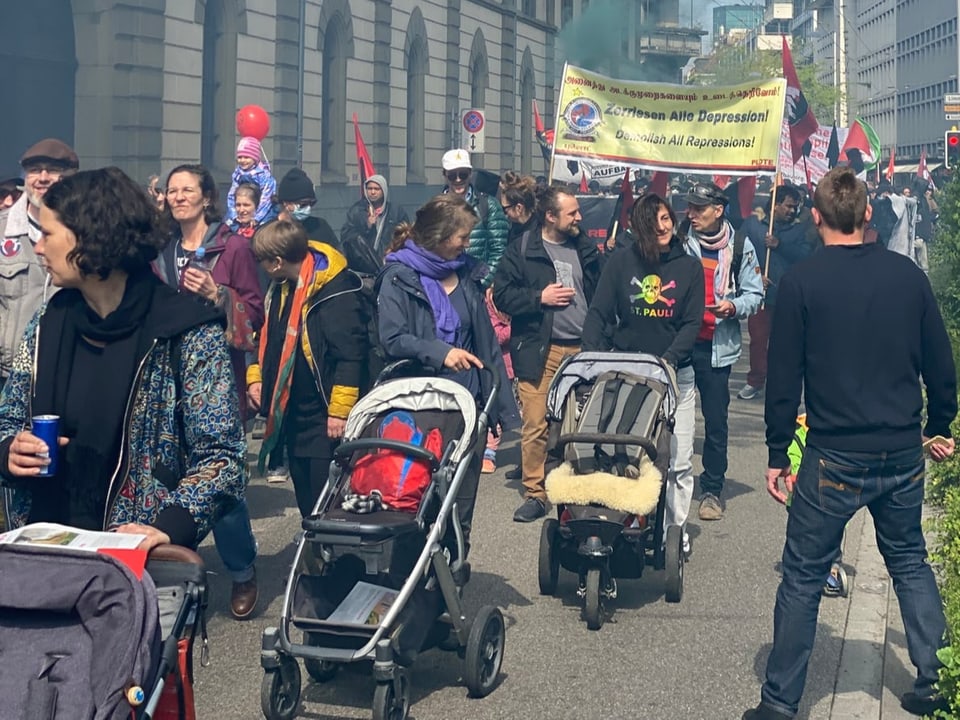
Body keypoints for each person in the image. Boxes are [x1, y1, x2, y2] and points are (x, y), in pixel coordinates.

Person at [745, 167, 958, 720]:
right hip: (901, 448)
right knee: (910, 561)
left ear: (815, 218)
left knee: (803, 576)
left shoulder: (801, 283)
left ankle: (780, 703)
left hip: (833, 453)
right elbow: (940, 362)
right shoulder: (907, 277)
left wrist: (775, 453)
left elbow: (783, 377)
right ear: (868, 215)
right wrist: (941, 423)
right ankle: (938, 681)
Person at [0, 167, 246, 555]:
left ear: (90, 238)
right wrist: (9, 449)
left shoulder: (185, 330)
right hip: (46, 551)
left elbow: (223, 456)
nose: (38, 247)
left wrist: (170, 525)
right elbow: (8, 418)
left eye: (48, 234)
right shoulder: (48, 321)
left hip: (139, 561)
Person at [377, 193, 519, 552]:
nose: (467, 244)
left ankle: (452, 576)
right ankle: (413, 577)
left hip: (467, 406)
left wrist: (498, 408)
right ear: (440, 238)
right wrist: (441, 353)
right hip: (419, 406)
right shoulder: (399, 277)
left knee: (461, 507)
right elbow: (392, 338)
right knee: (418, 502)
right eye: (462, 238)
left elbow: (486, 346)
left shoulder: (466, 275)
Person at [154, 163, 264, 620]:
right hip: (168, 381)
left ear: (206, 198)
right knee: (167, 478)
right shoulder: (160, 252)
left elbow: (255, 311)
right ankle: (178, 571)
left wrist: (218, 293)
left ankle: (242, 571)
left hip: (218, 382)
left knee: (221, 483)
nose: (178, 197)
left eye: (187, 190)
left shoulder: (233, 247)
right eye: (172, 191)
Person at [583, 194, 704, 555]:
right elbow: (599, 314)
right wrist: (592, 358)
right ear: (638, 227)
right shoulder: (621, 262)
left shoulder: (689, 267)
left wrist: (666, 361)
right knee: (622, 454)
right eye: (654, 221)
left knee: (678, 462)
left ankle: (673, 532)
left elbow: (692, 323)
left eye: (667, 218)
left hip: (673, 376)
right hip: (628, 373)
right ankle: (619, 521)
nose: (663, 227)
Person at [493, 187, 601, 522]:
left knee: (585, 425)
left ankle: (582, 489)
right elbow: (502, 296)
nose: (579, 218)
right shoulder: (523, 250)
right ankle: (536, 493)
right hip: (541, 349)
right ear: (550, 216)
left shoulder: (584, 248)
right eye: (572, 213)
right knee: (536, 424)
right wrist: (539, 297)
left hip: (583, 351)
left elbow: (601, 291)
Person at [247, 220, 368, 518]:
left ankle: (335, 560)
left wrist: (339, 412)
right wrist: (255, 377)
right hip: (293, 414)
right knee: (306, 500)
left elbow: (350, 356)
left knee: (325, 500)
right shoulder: (279, 288)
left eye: (261, 261)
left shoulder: (335, 290)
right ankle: (314, 556)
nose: (260, 267)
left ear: (276, 262)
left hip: (322, 416)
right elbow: (265, 337)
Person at [681, 182, 763, 522]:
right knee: (671, 420)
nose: (691, 214)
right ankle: (667, 481)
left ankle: (712, 489)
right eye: (690, 208)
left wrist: (734, 305)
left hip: (718, 347)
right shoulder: (679, 243)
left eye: (699, 208)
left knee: (716, 422)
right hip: (681, 346)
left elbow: (755, 294)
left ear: (718, 211)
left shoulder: (741, 245)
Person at [0, 139, 79, 392]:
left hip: (65, 371)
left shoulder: (86, 232)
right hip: (6, 374)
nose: (42, 177)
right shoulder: (1, 229)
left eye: (52, 170)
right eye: (34, 170)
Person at [737, 184, 814, 401]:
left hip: (789, 296)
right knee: (758, 340)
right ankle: (755, 381)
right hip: (760, 295)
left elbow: (806, 255)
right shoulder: (753, 225)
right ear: (776, 205)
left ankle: (783, 383)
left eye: (795, 207)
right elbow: (740, 253)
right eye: (788, 206)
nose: (792, 211)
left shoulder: (801, 227)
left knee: (787, 342)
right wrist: (754, 276)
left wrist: (780, 245)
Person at [441, 149, 509, 288]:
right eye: (453, 176)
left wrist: (481, 283)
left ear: (470, 174)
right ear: (445, 176)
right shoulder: (436, 207)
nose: (458, 180)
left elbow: (499, 251)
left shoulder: (488, 205)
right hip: (446, 286)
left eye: (463, 174)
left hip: (478, 288)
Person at [340, 174, 409, 275]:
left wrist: (393, 252)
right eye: (369, 188)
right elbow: (346, 236)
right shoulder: (356, 210)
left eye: (377, 189)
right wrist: (367, 225)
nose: (372, 192)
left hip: (388, 263)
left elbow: (405, 235)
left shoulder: (396, 211)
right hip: (363, 266)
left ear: (384, 191)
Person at [275, 167, 340, 249]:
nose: (308, 208)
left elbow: (338, 255)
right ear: (286, 203)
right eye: (303, 204)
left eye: (311, 203)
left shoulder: (321, 227)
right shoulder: (270, 232)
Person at [226, 136, 277, 225]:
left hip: (263, 211)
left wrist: (257, 217)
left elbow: (266, 197)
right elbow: (231, 194)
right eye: (240, 157)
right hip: (242, 212)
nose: (242, 160)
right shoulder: (238, 173)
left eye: (246, 157)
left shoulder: (262, 174)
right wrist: (233, 214)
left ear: (255, 158)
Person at [499, 171, 538, 243]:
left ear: (519, 208)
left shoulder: (538, 234)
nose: (505, 214)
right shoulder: (513, 229)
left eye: (505, 209)